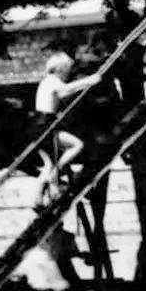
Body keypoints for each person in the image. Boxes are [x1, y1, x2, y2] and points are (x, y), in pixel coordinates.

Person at [33, 52, 102, 195]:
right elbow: (66, 89)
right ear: (59, 69)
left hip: (38, 125)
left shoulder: (46, 82)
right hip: (47, 125)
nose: (68, 73)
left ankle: (38, 199)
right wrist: (89, 81)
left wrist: (83, 87)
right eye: (67, 69)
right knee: (77, 145)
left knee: (48, 164)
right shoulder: (53, 80)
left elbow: (64, 94)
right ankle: (55, 176)